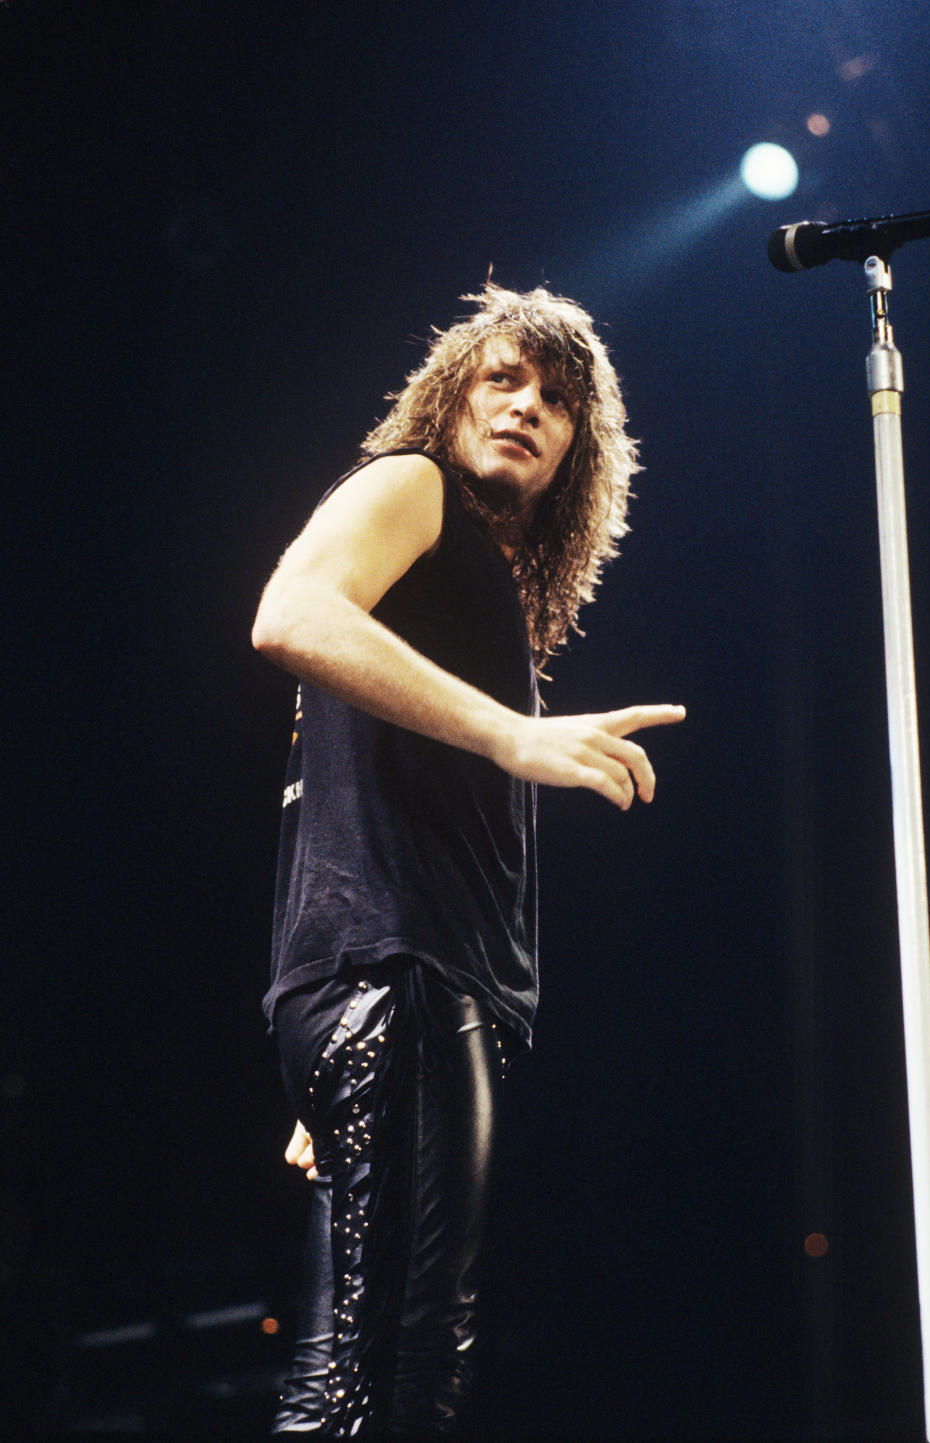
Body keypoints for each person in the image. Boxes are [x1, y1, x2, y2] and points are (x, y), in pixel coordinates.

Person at [252, 283, 685, 1438]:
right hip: (396, 986)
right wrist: (514, 735)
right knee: (394, 1379)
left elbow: (336, 802)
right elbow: (291, 611)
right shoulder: (412, 488)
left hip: (385, 1001)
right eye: (504, 379)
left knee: (355, 1369)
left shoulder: (465, 589)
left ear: (577, 455)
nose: (527, 408)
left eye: (556, 401)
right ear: (450, 397)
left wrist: (337, 1069)